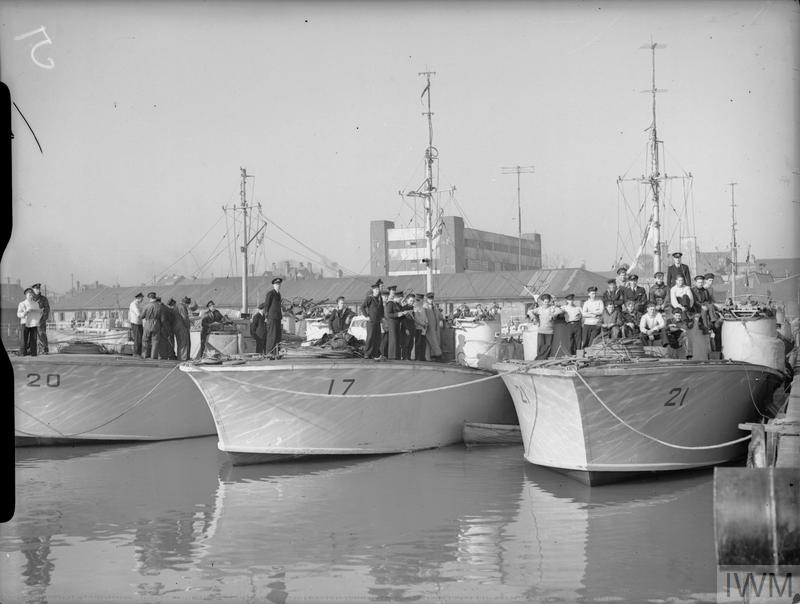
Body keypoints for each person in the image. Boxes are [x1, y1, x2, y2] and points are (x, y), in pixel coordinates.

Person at [531, 293, 563, 359]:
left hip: (550, 331)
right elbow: (530, 312)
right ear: (542, 302)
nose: (546, 303)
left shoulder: (552, 308)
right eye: (545, 302)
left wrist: (554, 315)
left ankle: (544, 358)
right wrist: (534, 318)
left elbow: (561, 311)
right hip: (541, 331)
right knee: (540, 345)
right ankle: (539, 359)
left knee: (548, 345)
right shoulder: (539, 309)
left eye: (548, 302)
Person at [360, 280, 384, 360]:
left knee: (377, 338)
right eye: (376, 289)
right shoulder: (370, 298)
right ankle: (367, 353)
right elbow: (362, 307)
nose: (377, 291)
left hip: (377, 321)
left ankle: (375, 353)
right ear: (373, 290)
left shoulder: (380, 299)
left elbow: (381, 309)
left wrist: (382, 317)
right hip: (371, 321)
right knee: (370, 337)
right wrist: (366, 316)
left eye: (378, 289)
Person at [17, 287, 42, 356]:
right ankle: (23, 353)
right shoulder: (22, 304)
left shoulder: (36, 304)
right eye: (29, 295)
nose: (31, 296)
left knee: (33, 339)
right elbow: (18, 314)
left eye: (32, 294)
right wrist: (25, 312)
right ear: (26, 295)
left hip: (33, 323)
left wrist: (39, 313)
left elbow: (39, 313)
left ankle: (33, 353)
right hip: (25, 323)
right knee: (24, 339)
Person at [264, 277, 283, 359]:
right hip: (271, 317)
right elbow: (267, 305)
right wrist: (266, 316)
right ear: (273, 285)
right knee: (272, 335)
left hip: (278, 317)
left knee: (277, 336)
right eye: (276, 284)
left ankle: (276, 352)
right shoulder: (270, 294)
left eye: (279, 284)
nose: (278, 286)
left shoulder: (278, 294)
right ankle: (269, 353)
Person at [140, 292, 163, 359]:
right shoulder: (159, 306)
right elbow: (162, 318)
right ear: (155, 298)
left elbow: (142, 316)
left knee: (145, 339)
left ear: (150, 298)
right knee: (155, 340)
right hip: (157, 323)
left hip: (148, 323)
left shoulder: (147, 306)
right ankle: (153, 356)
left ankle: (144, 355)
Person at [383, 286, 403, 359]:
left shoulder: (397, 304)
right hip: (392, 323)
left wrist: (403, 313)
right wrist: (397, 314)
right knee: (393, 339)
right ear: (397, 297)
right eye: (400, 298)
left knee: (397, 339)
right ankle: (392, 356)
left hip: (397, 323)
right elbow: (389, 314)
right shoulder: (390, 303)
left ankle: (397, 355)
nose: (401, 299)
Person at [31, 283, 50, 354]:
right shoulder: (30, 299)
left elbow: (47, 309)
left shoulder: (43, 299)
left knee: (41, 334)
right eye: (36, 289)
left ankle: (44, 349)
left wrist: (43, 319)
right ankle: (32, 349)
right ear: (33, 289)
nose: (38, 290)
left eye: (39, 288)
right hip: (31, 320)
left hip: (40, 320)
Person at [424, 292, 444, 361]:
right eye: (430, 299)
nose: (431, 300)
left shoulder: (434, 307)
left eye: (432, 298)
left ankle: (428, 358)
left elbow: (440, 316)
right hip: (429, 328)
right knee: (433, 342)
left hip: (435, 328)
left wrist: (443, 319)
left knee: (430, 344)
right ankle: (438, 355)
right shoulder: (425, 307)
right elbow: (423, 317)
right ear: (427, 299)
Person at [174, 296, 192, 360]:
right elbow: (185, 318)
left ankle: (180, 358)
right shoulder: (182, 307)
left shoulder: (177, 306)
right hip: (182, 328)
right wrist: (188, 326)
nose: (188, 306)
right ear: (186, 303)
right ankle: (183, 359)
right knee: (184, 343)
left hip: (177, 327)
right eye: (188, 305)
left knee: (180, 344)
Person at [399, 292, 416, 360]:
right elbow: (403, 319)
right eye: (411, 300)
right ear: (407, 300)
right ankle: (405, 357)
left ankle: (408, 356)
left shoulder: (413, 308)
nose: (412, 302)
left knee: (411, 344)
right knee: (405, 343)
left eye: (413, 301)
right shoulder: (404, 308)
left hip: (412, 328)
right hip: (406, 328)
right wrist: (406, 328)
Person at [412, 294, 429, 361]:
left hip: (423, 328)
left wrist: (426, 323)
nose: (420, 301)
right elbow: (416, 318)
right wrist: (423, 324)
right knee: (418, 343)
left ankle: (422, 356)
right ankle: (418, 357)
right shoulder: (415, 308)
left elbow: (425, 317)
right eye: (418, 300)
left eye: (421, 300)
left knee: (423, 343)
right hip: (418, 328)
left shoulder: (422, 307)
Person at [128, 292, 144, 357]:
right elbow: (138, 313)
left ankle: (139, 352)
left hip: (139, 323)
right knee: (138, 338)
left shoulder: (139, 304)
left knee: (140, 338)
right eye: (142, 298)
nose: (142, 299)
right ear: (138, 298)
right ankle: (136, 353)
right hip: (135, 323)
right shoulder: (134, 304)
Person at [379, 288, 391, 358]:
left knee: (387, 341)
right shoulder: (380, 305)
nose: (386, 298)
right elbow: (380, 316)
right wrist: (381, 326)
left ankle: (385, 355)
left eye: (387, 296)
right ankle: (382, 355)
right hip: (382, 325)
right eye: (384, 296)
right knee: (382, 341)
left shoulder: (387, 305)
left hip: (388, 325)